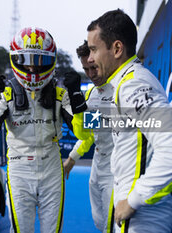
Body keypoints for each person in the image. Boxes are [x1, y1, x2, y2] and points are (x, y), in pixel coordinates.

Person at [73, 10, 172, 232]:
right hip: (111, 184)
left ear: (117, 49)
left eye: (93, 50)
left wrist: (134, 200)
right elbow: (88, 133)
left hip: (140, 216)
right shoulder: (108, 89)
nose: (90, 60)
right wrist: (79, 115)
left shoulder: (133, 85)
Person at [0, 27, 86, 233]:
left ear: (50, 60)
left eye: (39, 61)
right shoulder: (5, 93)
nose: (33, 69)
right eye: (26, 61)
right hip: (19, 171)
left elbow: (86, 134)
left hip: (52, 170)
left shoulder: (61, 93)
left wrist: (77, 98)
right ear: (16, 59)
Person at [63, 40, 115, 232]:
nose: (91, 74)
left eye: (94, 67)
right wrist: (72, 158)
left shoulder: (123, 89)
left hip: (119, 169)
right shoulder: (92, 93)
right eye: (86, 69)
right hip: (98, 165)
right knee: (100, 222)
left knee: (114, 223)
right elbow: (88, 134)